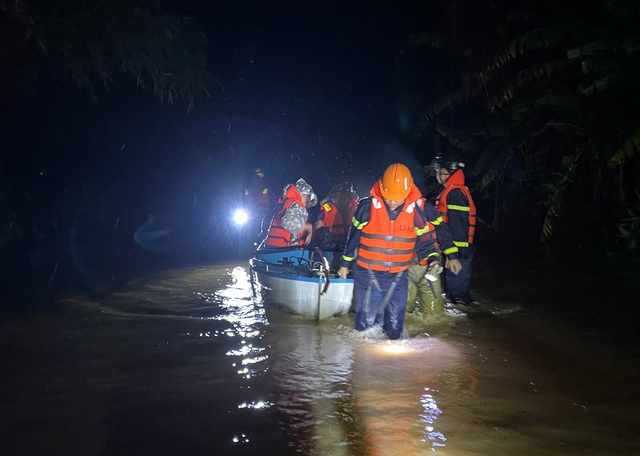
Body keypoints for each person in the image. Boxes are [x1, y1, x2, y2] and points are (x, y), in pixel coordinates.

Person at [337, 163, 462, 339]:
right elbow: (354, 237)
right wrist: (344, 264)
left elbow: (426, 239)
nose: (393, 202)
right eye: (389, 198)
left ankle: (391, 359)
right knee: (366, 325)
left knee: (395, 328)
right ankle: (363, 362)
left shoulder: (417, 209)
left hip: (399, 275)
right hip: (369, 273)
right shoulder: (367, 207)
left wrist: (437, 258)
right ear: (381, 188)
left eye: (397, 198)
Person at [434, 153, 477, 307]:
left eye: (442, 172)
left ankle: (465, 327)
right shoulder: (451, 191)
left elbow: (458, 226)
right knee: (452, 295)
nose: (439, 175)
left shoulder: (456, 193)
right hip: (454, 249)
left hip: (459, 251)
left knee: (457, 299)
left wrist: (453, 255)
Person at [264, 178, 317, 248]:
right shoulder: (296, 205)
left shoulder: (287, 203)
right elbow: (287, 222)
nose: (309, 200)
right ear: (301, 194)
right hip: (283, 250)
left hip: (273, 247)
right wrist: (309, 227)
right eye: (307, 196)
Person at [312, 181, 359, 251]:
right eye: (344, 195)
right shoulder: (327, 207)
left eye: (348, 196)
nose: (346, 198)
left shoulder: (353, 208)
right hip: (328, 245)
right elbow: (318, 223)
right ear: (337, 195)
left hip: (346, 245)